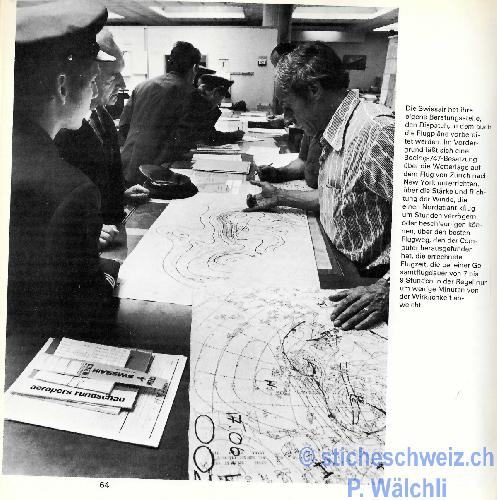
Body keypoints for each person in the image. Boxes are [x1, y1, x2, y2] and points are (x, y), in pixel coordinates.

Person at [245, 42, 394, 330]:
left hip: (367, 281)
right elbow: (340, 198)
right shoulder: (332, 129)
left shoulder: (377, 131)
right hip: (338, 262)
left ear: (313, 90)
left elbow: (437, 231)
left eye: (289, 107)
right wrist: (280, 196)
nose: (287, 118)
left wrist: (387, 291)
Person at [9, 0, 120, 339]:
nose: (94, 92)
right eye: (91, 80)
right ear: (61, 87)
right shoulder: (71, 191)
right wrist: (110, 273)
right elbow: (88, 310)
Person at [55, 28, 150, 249]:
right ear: (90, 75)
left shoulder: (101, 115)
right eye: (113, 76)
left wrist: (120, 194)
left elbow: (98, 176)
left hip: (111, 231)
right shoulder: (59, 127)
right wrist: (81, 230)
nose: (123, 85)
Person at [119, 41, 201, 185]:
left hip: (126, 166)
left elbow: (124, 125)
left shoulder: (141, 86)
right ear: (194, 68)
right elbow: (183, 139)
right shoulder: (190, 93)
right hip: (158, 173)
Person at [176, 74, 244, 150]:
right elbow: (207, 137)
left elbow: (208, 133)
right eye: (220, 99)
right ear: (215, 93)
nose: (219, 103)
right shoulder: (197, 107)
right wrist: (233, 136)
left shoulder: (195, 101)